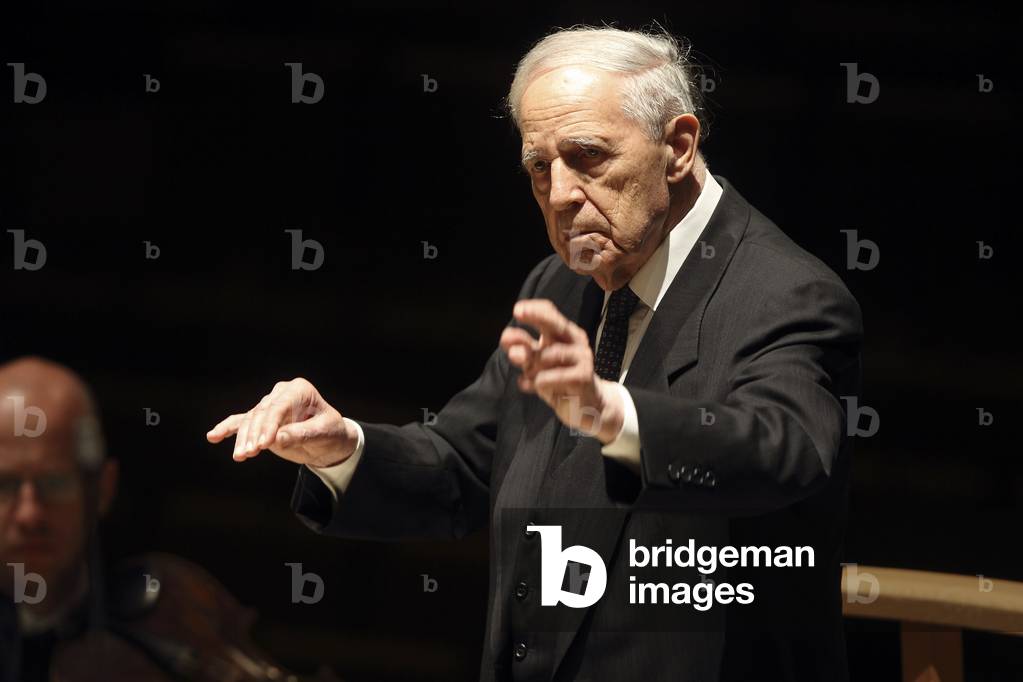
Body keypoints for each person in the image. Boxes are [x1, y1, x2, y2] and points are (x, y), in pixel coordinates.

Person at [207, 25, 863, 682]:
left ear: (677, 146)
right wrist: (342, 447)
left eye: (588, 157)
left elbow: (785, 450)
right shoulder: (558, 284)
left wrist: (612, 413)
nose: (560, 195)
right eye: (538, 167)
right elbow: (465, 463)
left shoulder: (786, 292)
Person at [0, 356, 332, 682]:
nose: (30, 513)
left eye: (55, 484)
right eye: (5, 485)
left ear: (103, 488)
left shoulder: (175, 617)